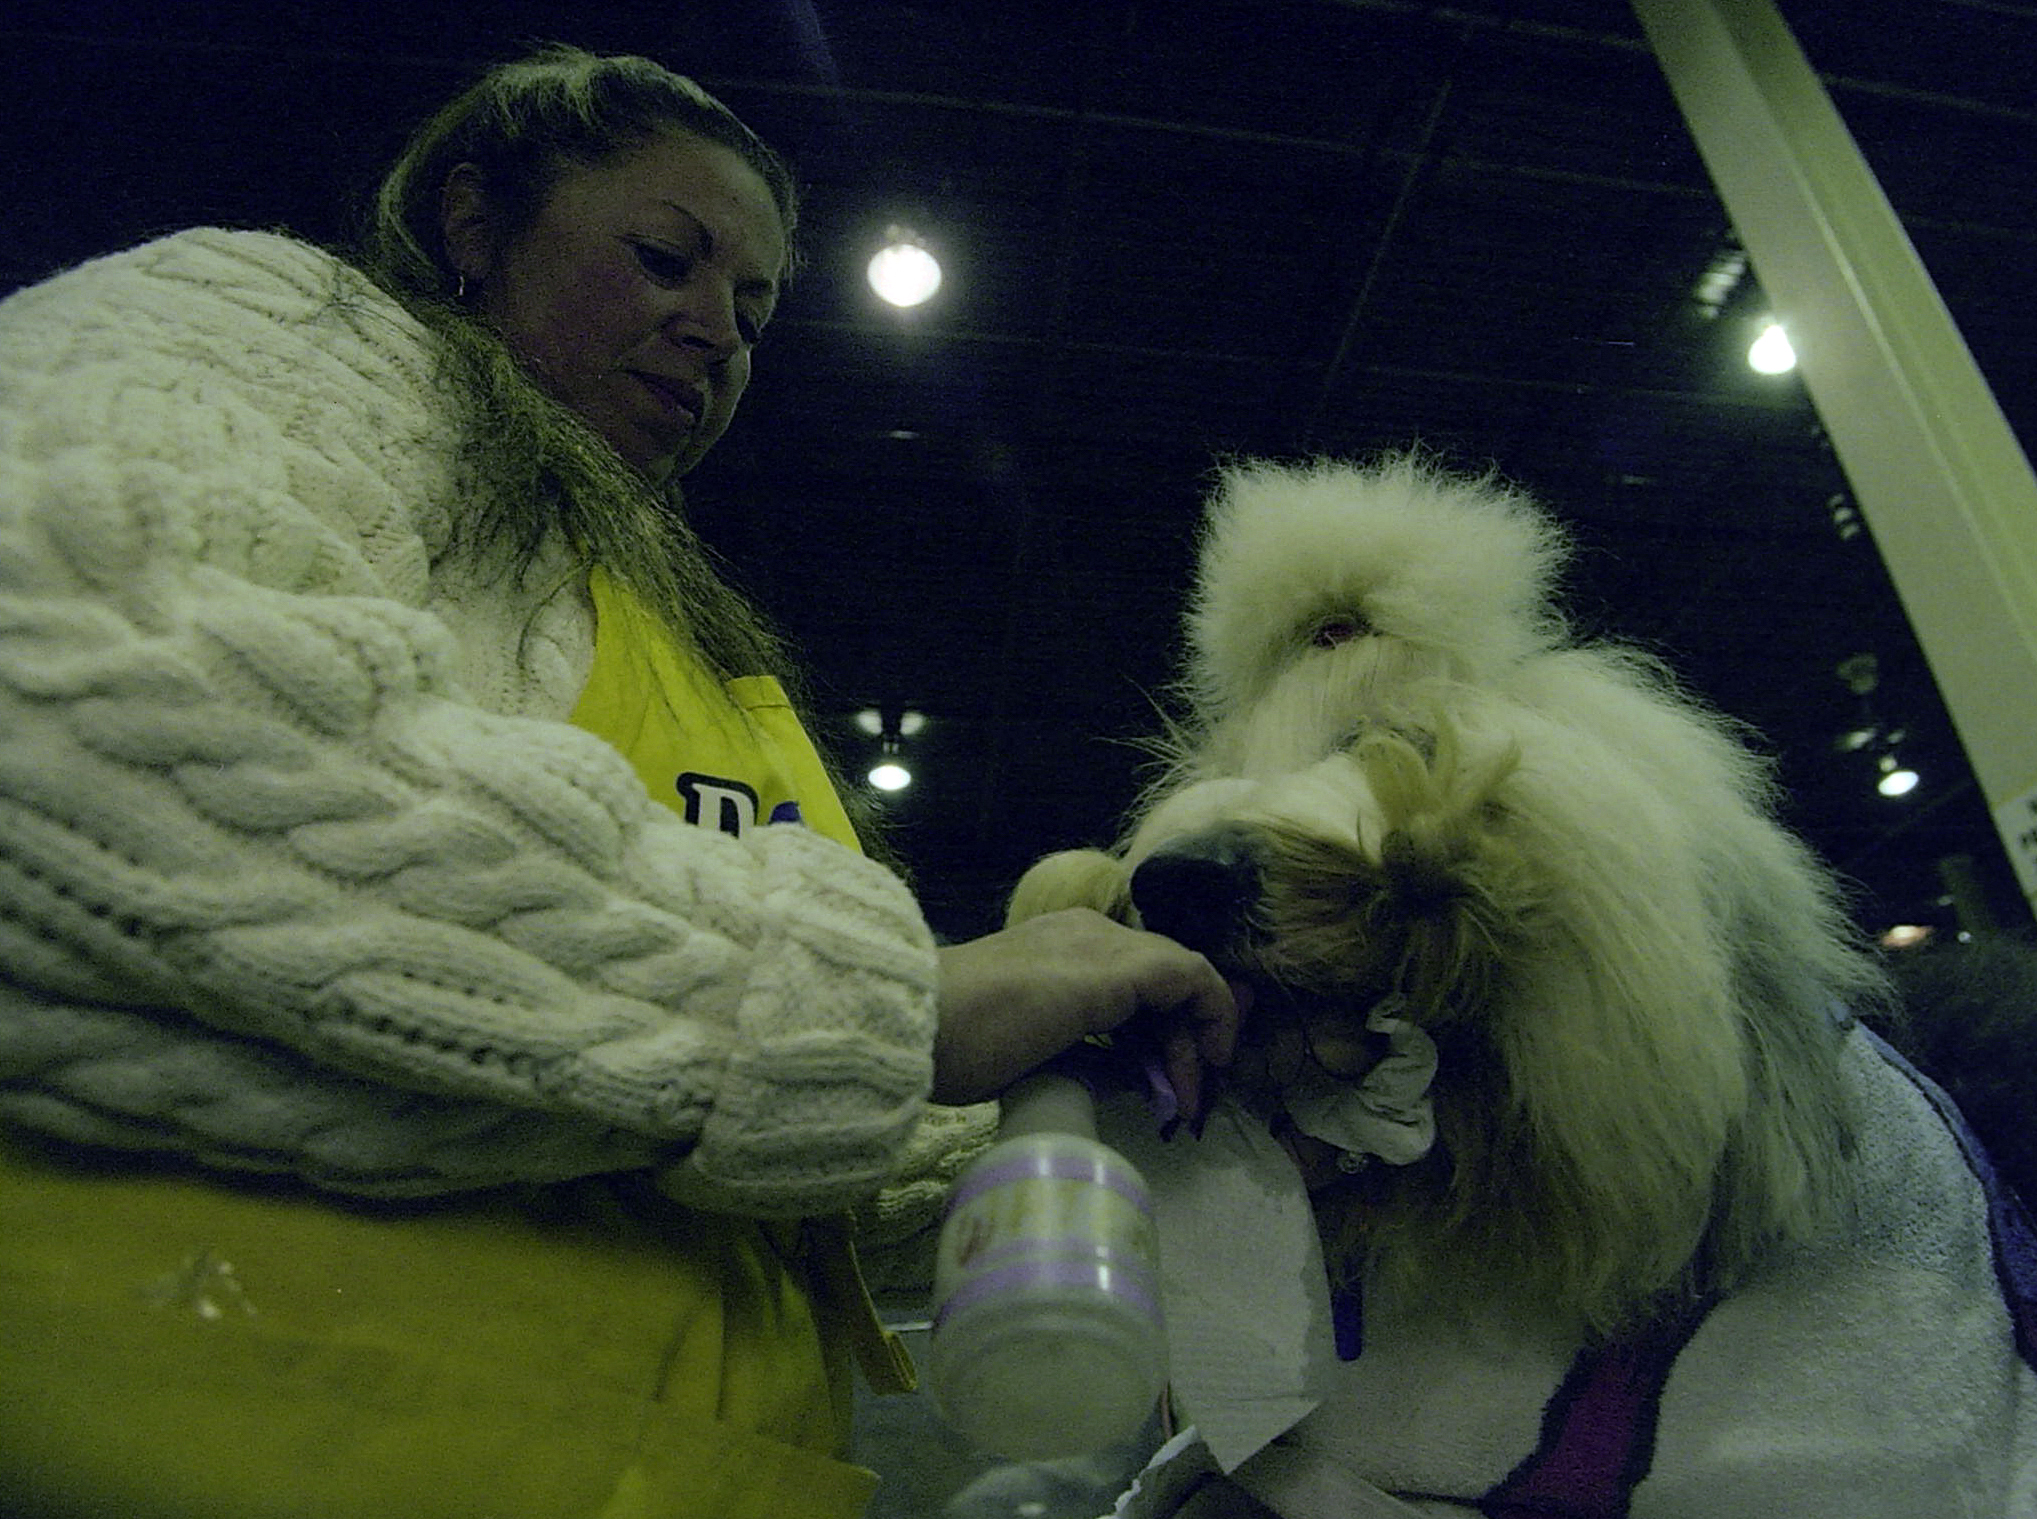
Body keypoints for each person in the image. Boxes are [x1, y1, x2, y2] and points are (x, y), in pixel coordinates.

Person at [0, 44, 1235, 1519]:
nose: (714, 329)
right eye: (665, 257)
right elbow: (83, 710)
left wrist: (1105, 1112)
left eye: (755, 312)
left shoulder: (659, 621)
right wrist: (895, 1006)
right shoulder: (278, 335)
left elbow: (727, 1112)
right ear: (474, 220)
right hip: (253, 1440)